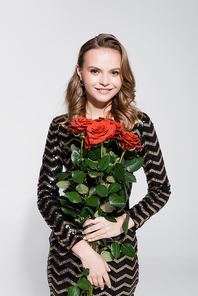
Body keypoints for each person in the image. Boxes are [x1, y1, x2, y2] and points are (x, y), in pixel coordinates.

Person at [37, 33, 171, 296]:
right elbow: (46, 196)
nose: (104, 81)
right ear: (80, 71)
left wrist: (122, 223)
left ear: (123, 76)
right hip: (68, 255)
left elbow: (161, 190)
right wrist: (82, 249)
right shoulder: (61, 128)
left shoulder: (138, 125)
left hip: (118, 258)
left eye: (114, 72)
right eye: (95, 70)